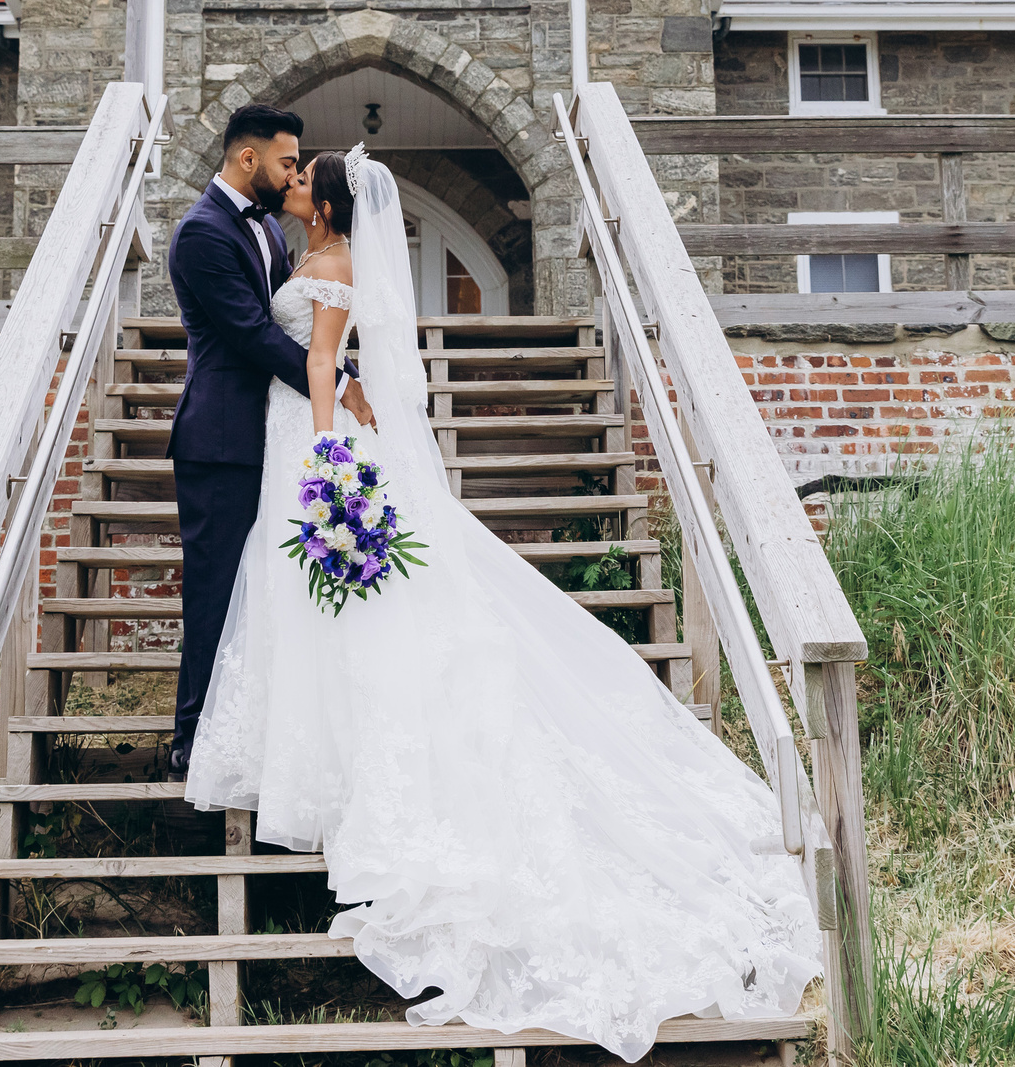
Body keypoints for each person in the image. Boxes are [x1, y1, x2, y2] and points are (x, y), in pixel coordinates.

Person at [184, 142, 820, 1061]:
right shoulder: (310, 253)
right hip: (303, 429)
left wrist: (325, 456)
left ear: (322, 206)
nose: (288, 187)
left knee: (327, 597)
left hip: (311, 438)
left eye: (298, 179)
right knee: (312, 599)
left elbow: (322, 364)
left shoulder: (326, 264)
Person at [162, 105, 375, 778]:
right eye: (288, 162)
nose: (292, 177)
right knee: (215, 588)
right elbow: (254, 334)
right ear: (247, 159)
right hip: (220, 436)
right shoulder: (202, 234)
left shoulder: (276, 237)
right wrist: (339, 384)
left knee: (263, 588)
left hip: (269, 432)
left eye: (300, 169)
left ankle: (267, 731)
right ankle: (191, 738)